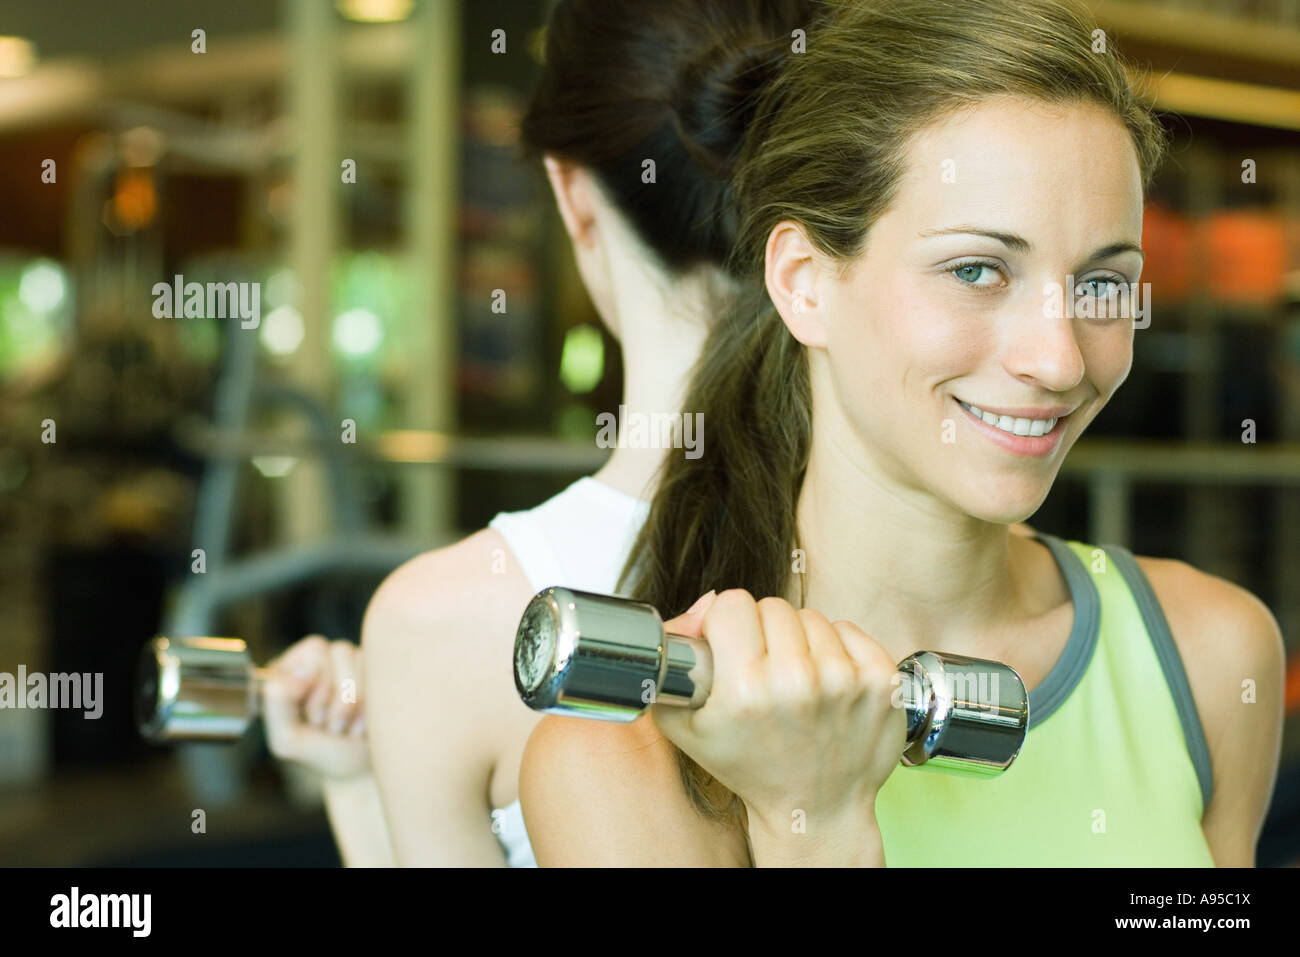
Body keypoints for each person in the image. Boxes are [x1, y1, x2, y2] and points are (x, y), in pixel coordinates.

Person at [519, 0, 1287, 866]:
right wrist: (817, 815)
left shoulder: (1211, 655)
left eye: (1103, 283)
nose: (1060, 358)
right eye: (976, 269)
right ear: (804, 281)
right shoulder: (623, 764)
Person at [258, 0, 825, 866]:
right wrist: (361, 775)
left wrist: (367, 776)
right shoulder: (967, 564)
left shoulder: (438, 624)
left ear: (571, 193)